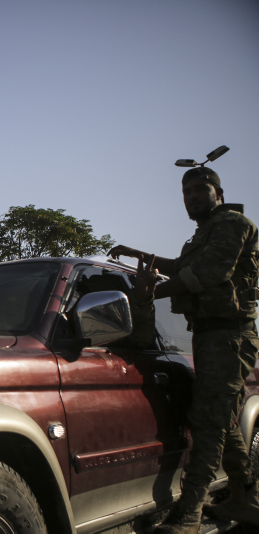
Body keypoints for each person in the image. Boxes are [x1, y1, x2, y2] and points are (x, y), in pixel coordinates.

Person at [108, 166, 259, 533]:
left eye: (199, 190)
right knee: (220, 418)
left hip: (230, 336)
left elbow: (210, 273)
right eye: (186, 192)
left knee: (208, 423)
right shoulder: (200, 236)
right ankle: (247, 499)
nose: (191, 197)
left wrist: (151, 292)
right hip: (209, 336)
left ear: (217, 193)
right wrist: (138, 255)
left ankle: (189, 513)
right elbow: (181, 266)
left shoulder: (232, 223)